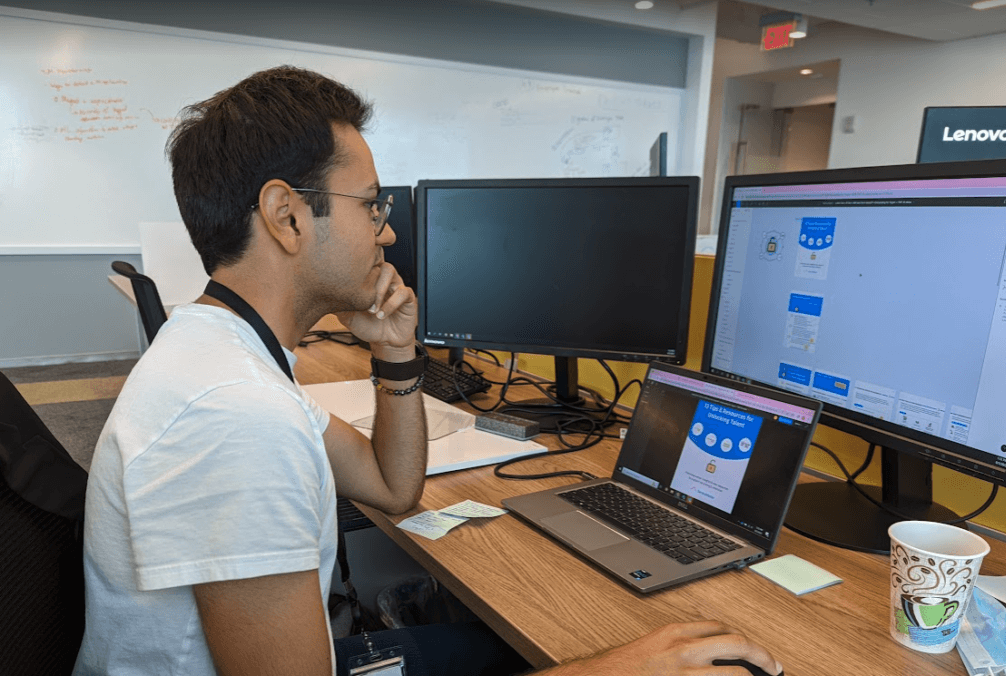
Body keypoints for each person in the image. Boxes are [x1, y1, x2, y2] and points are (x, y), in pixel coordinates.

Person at [73, 65, 782, 676]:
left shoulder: (224, 352)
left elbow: (392, 485)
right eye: (371, 203)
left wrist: (394, 351)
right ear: (287, 217)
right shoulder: (234, 414)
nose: (385, 229)